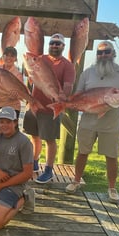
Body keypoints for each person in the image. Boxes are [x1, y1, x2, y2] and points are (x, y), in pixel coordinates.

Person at [65, 41, 119, 203]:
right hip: (88, 122)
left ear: (113, 53)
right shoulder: (87, 73)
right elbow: (79, 94)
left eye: (107, 52)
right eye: (100, 53)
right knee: (82, 152)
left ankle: (112, 187)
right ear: (96, 55)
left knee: (112, 156)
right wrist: (75, 105)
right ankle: (76, 181)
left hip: (112, 124)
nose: (103, 55)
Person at [23, 33, 76, 183]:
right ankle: (34, 162)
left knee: (49, 139)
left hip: (50, 109)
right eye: (52, 42)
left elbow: (68, 86)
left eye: (58, 43)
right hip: (34, 106)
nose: (54, 45)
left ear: (63, 46)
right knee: (34, 136)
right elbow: (31, 79)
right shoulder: (41, 59)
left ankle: (48, 170)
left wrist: (60, 101)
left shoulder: (68, 66)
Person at [0, 46, 23, 139]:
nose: (9, 58)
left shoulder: (17, 74)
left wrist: (14, 96)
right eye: (6, 55)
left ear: (15, 58)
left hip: (11, 106)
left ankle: (4, 153)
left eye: (12, 56)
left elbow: (20, 93)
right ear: (3, 57)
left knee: (2, 135)